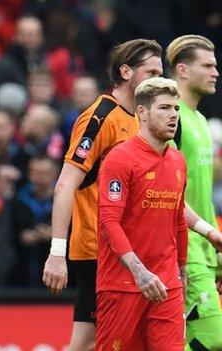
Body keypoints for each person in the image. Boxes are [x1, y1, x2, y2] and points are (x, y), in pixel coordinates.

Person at [42, 38, 163, 351]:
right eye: (150, 72)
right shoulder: (99, 118)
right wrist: (57, 251)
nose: (158, 81)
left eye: (160, 74)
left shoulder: (140, 118)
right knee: (99, 341)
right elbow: (65, 184)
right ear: (125, 71)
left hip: (127, 250)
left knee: (87, 341)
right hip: (98, 249)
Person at [96, 77, 186, 350]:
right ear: (142, 113)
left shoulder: (178, 160)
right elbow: (108, 221)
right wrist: (139, 271)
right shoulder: (120, 158)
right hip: (123, 284)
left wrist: (181, 271)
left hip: (167, 285)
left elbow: (178, 219)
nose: (173, 115)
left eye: (176, 109)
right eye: (164, 108)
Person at [166, 34, 222, 351]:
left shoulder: (199, 119)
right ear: (183, 71)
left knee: (187, 337)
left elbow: (201, 193)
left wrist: (216, 253)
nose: (215, 72)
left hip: (205, 250)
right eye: (208, 65)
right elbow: (169, 191)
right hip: (183, 250)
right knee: (214, 338)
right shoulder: (174, 120)